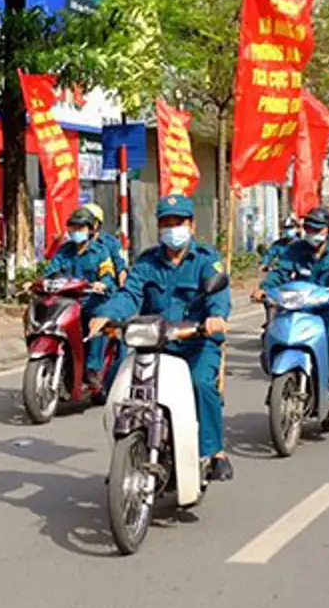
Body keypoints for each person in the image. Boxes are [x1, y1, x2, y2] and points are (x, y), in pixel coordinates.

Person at [89, 195, 233, 481]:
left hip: (196, 343)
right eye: (166, 223)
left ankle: (214, 452)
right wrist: (106, 314)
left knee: (201, 383)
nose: (172, 229)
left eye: (178, 222)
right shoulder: (146, 263)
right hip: (155, 344)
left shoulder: (207, 261)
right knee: (117, 379)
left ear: (191, 226)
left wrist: (215, 318)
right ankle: (124, 455)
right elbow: (130, 294)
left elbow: (218, 297)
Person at [255, 208, 329, 408]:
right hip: (301, 306)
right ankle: (277, 379)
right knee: (272, 333)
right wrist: (264, 289)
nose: (312, 233)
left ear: (327, 230)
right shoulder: (295, 249)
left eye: (317, 229)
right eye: (309, 228)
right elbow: (281, 272)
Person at [44, 206, 121, 396]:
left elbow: (108, 274)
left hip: (92, 301)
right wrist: (38, 281)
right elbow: (50, 271)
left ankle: (93, 368)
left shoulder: (101, 252)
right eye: (73, 227)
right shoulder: (64, 251)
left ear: (91, 230)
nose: (76, 232)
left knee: (98, 323)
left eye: (81, 228)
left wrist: (103, 284)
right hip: (67, 302)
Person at [84, 202, 128, 286]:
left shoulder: (110, 243)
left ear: (97, 223)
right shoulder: (72, 244)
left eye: (88, 222)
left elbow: (121, 269)